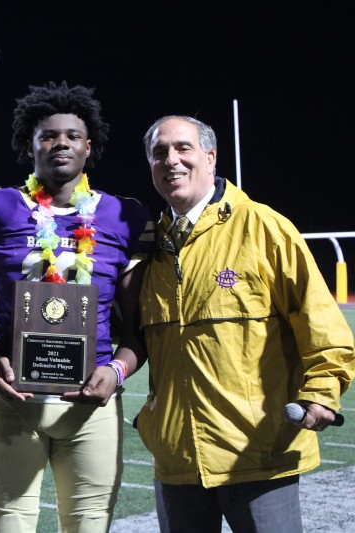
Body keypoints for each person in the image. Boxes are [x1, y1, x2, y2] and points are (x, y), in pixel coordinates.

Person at [135, 115, 355, 532]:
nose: (171, 160)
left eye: (183, 148)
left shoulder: (264, 227)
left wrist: (323, 392)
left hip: (257, 455)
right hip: (178, 458)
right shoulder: (148, 247)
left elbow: (320, 322)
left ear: (211, 157)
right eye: (159, 152)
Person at [0, 81, 153, 532]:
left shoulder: (125, 217)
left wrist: (117, 372)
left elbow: (138, 332)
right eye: (48, 135)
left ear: (90, 147)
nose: (60, 143)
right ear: (30, 144)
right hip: (12, 402)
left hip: (91, 408)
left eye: (72, 136)